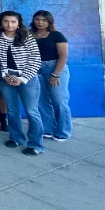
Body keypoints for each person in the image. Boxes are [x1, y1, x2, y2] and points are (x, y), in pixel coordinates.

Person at [0, 11, 43, 155]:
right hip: (6, 80)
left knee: (31, 111)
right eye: (6, 21)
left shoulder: (27, 37)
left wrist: (22, 79)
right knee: (12, 110)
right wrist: (5, 75)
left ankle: (36, 144)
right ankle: (16, 138)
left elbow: (35, 60)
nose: (9, 25)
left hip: (27, 79)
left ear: (18, 23)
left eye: (13, 21)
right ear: (1, 23)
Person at [31, 10, 72, 142]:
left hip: (55, 68)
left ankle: (63, 131)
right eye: (37, 19)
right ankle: (48, 129)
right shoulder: (29, 35)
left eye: (44, 20)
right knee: (41, 101)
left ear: (49, 21)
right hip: (36, 70)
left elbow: (63, 56)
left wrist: (55, 74)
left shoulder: (57, 35)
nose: (40, 22)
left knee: (59, 101)